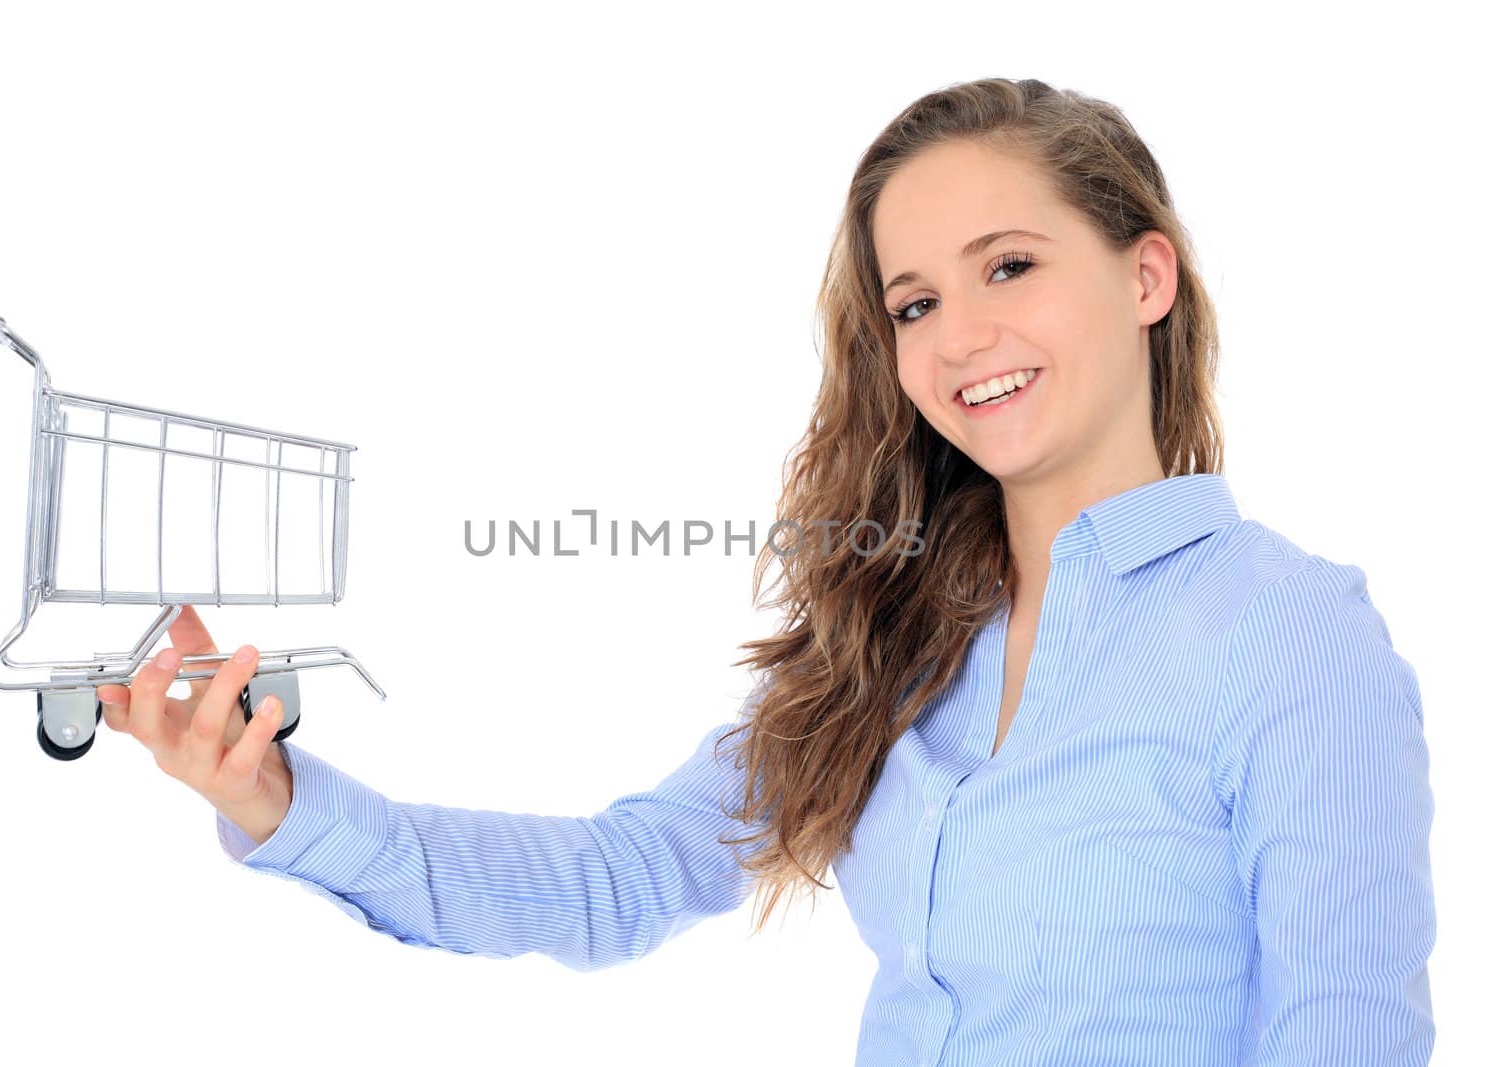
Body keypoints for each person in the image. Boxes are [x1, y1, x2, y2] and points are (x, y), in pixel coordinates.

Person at [94, 77, 1435, 1064]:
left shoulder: (1290, 633)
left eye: (1008, 267)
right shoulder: (899, 648)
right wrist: (278, 801)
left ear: (1147, 275)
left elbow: (1345, 1040)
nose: (961, 337)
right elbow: (617, 880)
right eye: (914, 304)